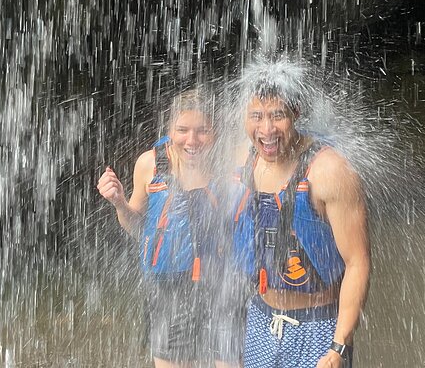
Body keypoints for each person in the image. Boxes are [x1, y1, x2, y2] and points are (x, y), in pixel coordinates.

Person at [231, 66, 371, 368]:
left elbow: (357, 262)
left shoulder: (329, 171)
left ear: (296, 112)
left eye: (278, 115)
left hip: (318, 327)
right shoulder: (243, 160)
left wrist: (339, 346)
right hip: (260, 319)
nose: (266, 130)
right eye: (257, 116)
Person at [97, 88, 240, 368]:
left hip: (222, 283)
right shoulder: (150, 164)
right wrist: (119, 203)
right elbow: (139, 229)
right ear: (169, 129)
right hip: (167, 286)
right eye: (182, 130)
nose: (192, 140)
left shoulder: (230, 164)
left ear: (216, 131)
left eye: (203, 131)